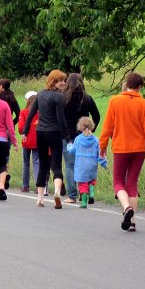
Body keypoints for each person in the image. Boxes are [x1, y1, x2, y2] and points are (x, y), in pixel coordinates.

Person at [99, 73, 145, 232]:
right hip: (140, 149)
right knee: (132, 183)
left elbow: (107, 127)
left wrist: (102, 147)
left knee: (118, 182)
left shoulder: (115, 101)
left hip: (121, 148)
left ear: (126, 84)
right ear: (140, 87)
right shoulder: (144, 104)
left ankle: (126, 208)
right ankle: (132, 222)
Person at [22, 70, 70, 209]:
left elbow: (31, 114)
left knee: (43, 165)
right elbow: (61, 119)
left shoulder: (40, 94)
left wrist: (25, 131)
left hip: (41, 132)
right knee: (56, 165)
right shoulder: (58, 97)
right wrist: (67, 137)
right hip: (55, 133)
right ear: (54, 81)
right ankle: (56, 192)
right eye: (61, 80)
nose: (63, 83)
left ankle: (40, 198)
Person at [62, 73, 101, 203]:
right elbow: (97, 116)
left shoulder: (62, 98)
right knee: (86, 164)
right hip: (84, 137)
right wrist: (91, 130)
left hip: (68, 137)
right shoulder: (87, 99)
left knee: (70, 165)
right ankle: (86, 191)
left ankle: (72, 195)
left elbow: (58, 117)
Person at [66, 117, 107, 208]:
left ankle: (84, 202)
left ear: (80, 127)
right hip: (92, 165)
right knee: (91, 180)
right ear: (92, 126)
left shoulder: (78, 139)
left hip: (81, 166)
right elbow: (100, 153)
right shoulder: (96, 139)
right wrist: (104, 163)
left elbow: (73, 150)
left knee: (82, 184)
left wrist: (69, 146)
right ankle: (91, 192)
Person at [0, 78, 21, 190]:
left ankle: (2, 176)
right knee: (6, 153)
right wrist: (12, 122)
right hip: (8, 130)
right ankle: (5, 173)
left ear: (1, 86)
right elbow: (18, 113)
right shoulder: (12, 98)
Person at [18, 91, 39, 193]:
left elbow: (21, 127)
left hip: (26, 140)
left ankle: (25, 186)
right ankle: (38, 185)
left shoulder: (24, 112)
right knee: (36, 162)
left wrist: (23, 133)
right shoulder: (41, 113)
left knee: (26, 163)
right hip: (38, 140)